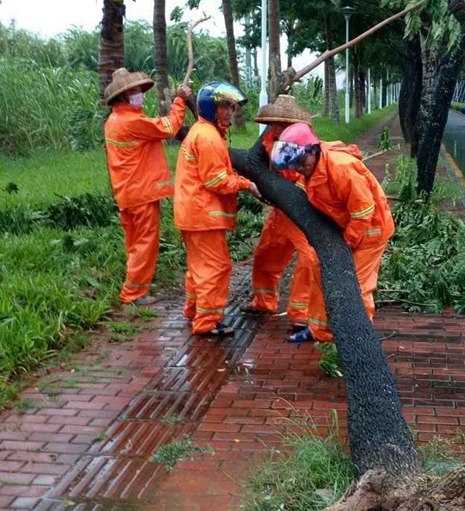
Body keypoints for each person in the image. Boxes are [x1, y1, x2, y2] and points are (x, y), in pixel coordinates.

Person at [270, 122, 394, 343]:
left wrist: (347, 244)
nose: (299, 169)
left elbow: (364, 212)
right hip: (345, 228)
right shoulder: (312, 167)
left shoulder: (341, 168)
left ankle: (359, 339)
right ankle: (320, 330)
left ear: (313, 150)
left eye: (301, 162)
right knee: (319, 270)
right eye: (295, 165)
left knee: (355, 284)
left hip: (370, 231)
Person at [174, 81, 260, 336]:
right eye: (225, 106)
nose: (230, 111)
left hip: (194, 214)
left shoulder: (203, 131)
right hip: (204, 216)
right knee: (216, 268)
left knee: (198, 268)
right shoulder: (208, 137)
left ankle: (194, 311)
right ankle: (207, 322)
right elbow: (217, 181)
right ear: (212, 109)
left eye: (232, 107)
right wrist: (246, 184)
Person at [103, 67, 192, 306]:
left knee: (135, 244)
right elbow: (169, 127)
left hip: (127, 193)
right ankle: (133, 293)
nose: (139, 95)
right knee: (145, 243)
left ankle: (135, 286)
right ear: (124, 96)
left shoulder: (113, 120)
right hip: (141, 194)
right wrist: (180, 101)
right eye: (135, 91)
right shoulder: (132, 121)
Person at [240, 95, 315, 330]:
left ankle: (301, 312)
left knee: (308, 257)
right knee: (266, 254)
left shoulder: (303, 141)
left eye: (280, 123)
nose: (276, 127)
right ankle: (263, 301)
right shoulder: (267, 142)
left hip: (300, 209)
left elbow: (310, 174)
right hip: (280, 209)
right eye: (273, 123)